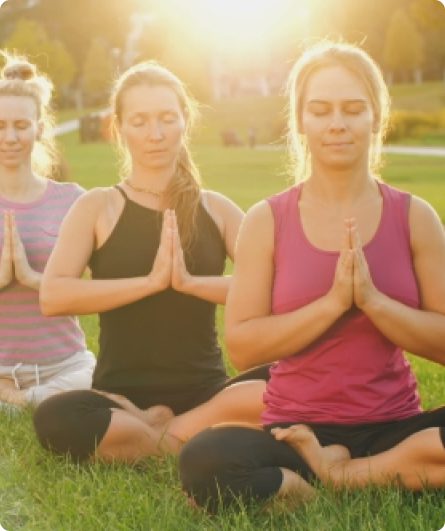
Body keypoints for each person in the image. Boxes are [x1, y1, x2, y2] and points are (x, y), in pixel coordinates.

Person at [178, 40, 445, 511]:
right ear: (301, 121)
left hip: (393, 426)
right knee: (204, 459)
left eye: (353, 109)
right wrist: (331, 304)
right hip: (296, 429)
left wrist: (373, 301)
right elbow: (243, 346)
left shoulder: (415, 217)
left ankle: (341, 476)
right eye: (320, 110)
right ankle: (384, 472)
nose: (337, 123)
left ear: (376, 117)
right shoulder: (267, 220)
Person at [33, 61, 269, 463]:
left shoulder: (217, 209)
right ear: (119, 128)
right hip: (121, 399)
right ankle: (186, 439)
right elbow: (53, 295)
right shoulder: (99, 206)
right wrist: (150, 282)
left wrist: (189, 282)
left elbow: (275, 288)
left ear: (185, 122)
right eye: (140, 121)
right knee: (55, 416)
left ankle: (156, 437)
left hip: (207, 392)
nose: (155, 134)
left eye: (166, 119)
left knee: (287, 380)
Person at [0, 52, 95, 408]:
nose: (10, 137)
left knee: (92, 380)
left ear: (39, 127)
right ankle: (29, 400)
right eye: (0, 125)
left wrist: (33, 277)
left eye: (21, 125)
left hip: (65, 366)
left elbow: (92, 293)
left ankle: (19, 402)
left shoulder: (72, 200)